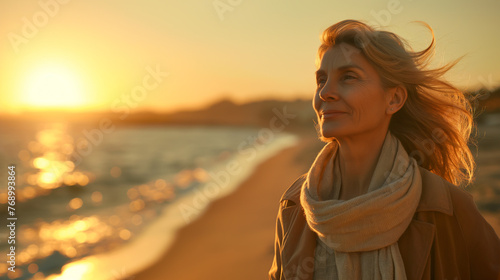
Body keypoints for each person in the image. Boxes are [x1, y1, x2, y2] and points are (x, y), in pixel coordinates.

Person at [269, 20, 500, 280]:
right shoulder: (294, 204)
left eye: (348, 77)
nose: (325, 92)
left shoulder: (446, 208)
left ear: (394, 99)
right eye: (321, 79)